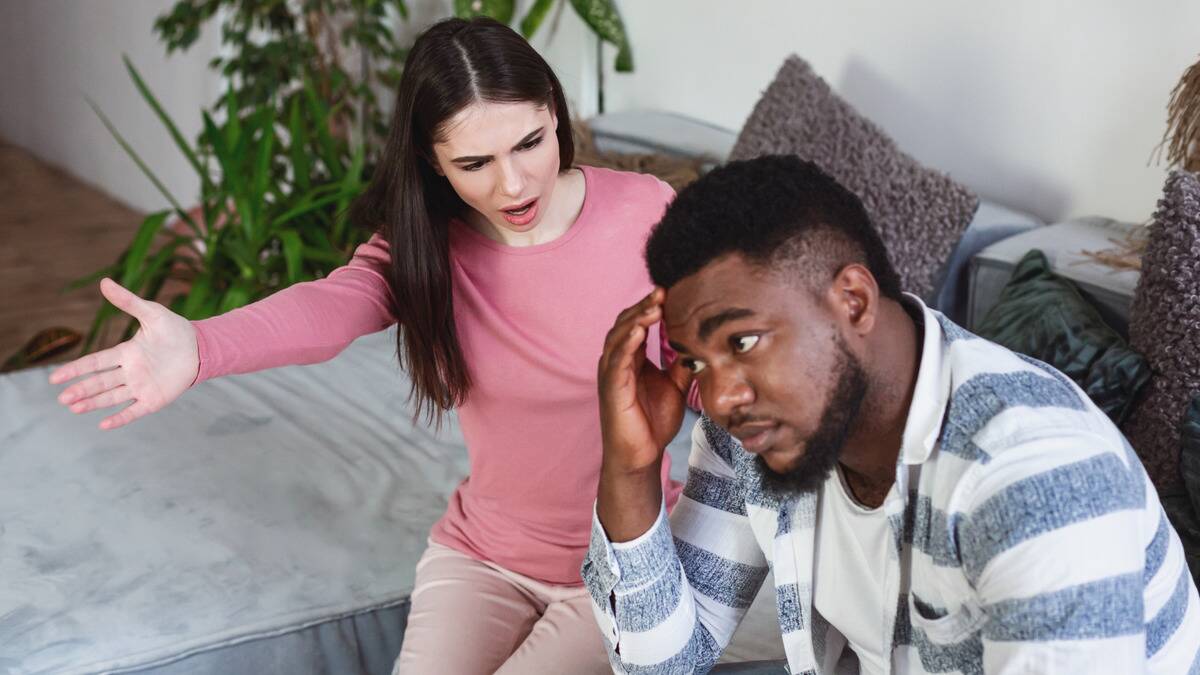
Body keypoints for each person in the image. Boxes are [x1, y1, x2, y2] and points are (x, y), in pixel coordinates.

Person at [48, 16, 685, 674]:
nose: (514, 184)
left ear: (554, 111)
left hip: (621, 562)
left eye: (529, 142)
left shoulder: (647, 213)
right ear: (432, 162)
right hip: (484, 555)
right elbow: (329, 307)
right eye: (475, 163)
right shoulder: (425, 250)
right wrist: (201, 344)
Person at [587, 154, 1200, 674]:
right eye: (695, 361)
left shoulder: (1035, 479)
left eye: (742, 342)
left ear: (853, 300)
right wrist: (631, 466)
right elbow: (661, 663)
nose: (717, 399)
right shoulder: (756, 431)